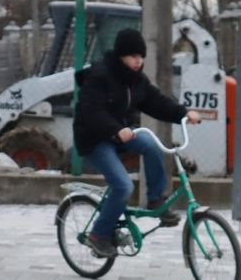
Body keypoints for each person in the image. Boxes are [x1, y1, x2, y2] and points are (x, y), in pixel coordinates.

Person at [72, 28, 201, 258]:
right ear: (121, 55)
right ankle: (98, 235)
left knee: (151, 145)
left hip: (122, 134)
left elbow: (156, 102)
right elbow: (92, 112)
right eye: (133, 57)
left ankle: (155, 200)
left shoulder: (136, 80)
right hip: (94, 139)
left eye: (141, 57)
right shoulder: (100, 76)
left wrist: (183, 113)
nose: (138, 61)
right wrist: (115, 130)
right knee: (123, 186)